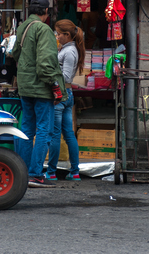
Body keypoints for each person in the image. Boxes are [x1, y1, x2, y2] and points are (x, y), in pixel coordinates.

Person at [11, 0, 65, 188]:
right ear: (45, 12)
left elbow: (15, 53)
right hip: (41, 88)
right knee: (44, 130)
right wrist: (55, 85)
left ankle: (23, 172)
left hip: (25, 86)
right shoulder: (44, 29)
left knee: (27, 129)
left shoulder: (22, 27)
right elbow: (46, 63)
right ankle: (34, 173)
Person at [45, 20, 84, 182]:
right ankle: (74, 171)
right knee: (68, 134)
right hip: (67, 95)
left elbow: (67, 76)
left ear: (67, 35)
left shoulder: (69, 52)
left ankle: (52, 172)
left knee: (56, 135)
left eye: (59, 34)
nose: (57, 36)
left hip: (60, 96)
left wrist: (52, 78)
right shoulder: (70, 49)